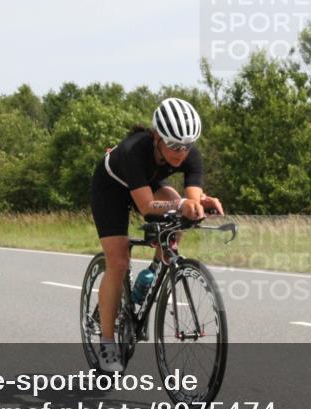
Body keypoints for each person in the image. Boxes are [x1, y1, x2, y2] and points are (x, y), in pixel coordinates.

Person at [90, 98, 224, 372]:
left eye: (185, 146)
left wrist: (199, 204)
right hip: (110, 190)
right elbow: (146, 207)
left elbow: (191, 198)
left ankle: (152, 272)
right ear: (157, 138)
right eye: (173, 146)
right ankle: (106, 341)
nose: (180, 153)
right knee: (118, 261)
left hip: (147, 185)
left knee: (178, 206)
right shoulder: (134, 151)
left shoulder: (190, 154)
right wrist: (181, 205)